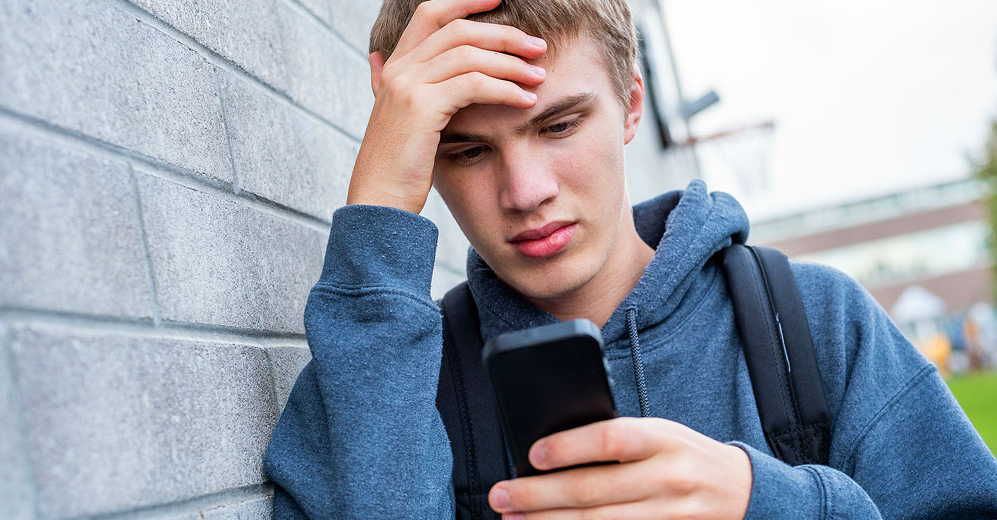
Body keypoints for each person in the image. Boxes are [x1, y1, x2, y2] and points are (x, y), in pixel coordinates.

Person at [263, 0, 997, 517]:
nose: (525, 192)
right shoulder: (386, 373)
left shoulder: (813, 322)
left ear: (633, 105)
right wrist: (380, 212)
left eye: (558, 124)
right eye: (467, 150)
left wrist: (764, 501)